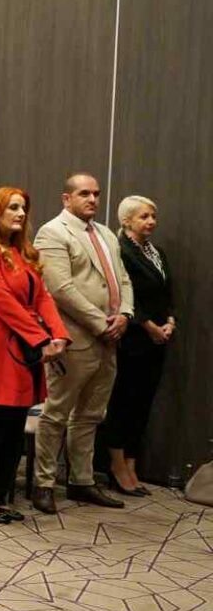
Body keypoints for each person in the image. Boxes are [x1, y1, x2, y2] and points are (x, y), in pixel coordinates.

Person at [0, 187, 68, 523]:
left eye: (23, 208)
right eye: (13, 208)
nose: (21, 213)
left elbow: (43, 298)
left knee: (13, 424)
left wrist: (58, 334)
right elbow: (2, 302)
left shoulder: (21, 252)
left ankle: (0, 494)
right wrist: (41, 338)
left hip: (23, 345)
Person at [32, 173, 134, 514]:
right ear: (67, 198)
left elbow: (123, 279)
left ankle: (81, 480)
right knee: (57, 413)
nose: (92, 199)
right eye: (84, 194)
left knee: (91, 414)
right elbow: (60, 288)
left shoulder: (106, 234)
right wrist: (100, 324)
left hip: (110, 338)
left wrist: (125, 314)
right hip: (75, 338)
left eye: (96, 194)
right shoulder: (52, 232)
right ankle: (44, 483)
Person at [103, 196, 174, 498]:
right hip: (132, 337)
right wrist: (148, 325)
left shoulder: (157, 253)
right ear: (127, 220)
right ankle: (116, 464)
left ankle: (132, 463)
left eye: (153, 216)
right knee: (124, 401)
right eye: (144, 216)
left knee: (143, 403)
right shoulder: (121, 250)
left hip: (157, 340)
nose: (151, 221)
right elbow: (123, 294)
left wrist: (170, 320)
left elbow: (166, 292)